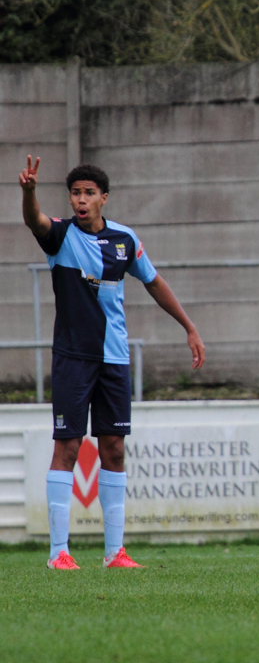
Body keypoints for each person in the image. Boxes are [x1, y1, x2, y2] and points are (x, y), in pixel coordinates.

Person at [20, 156, 205, 570]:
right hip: (73, 357)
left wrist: (189, 327)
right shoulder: (61, 236)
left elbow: (153, 282)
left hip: (114, 358)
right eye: (75, 193)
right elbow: (35, 221)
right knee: (68, 447)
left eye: (89, 193)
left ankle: (114, 553)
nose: (81, 200)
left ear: (104, 198)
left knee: (115, 449)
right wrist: (29, 193)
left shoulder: (124, 239)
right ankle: (58, 553)